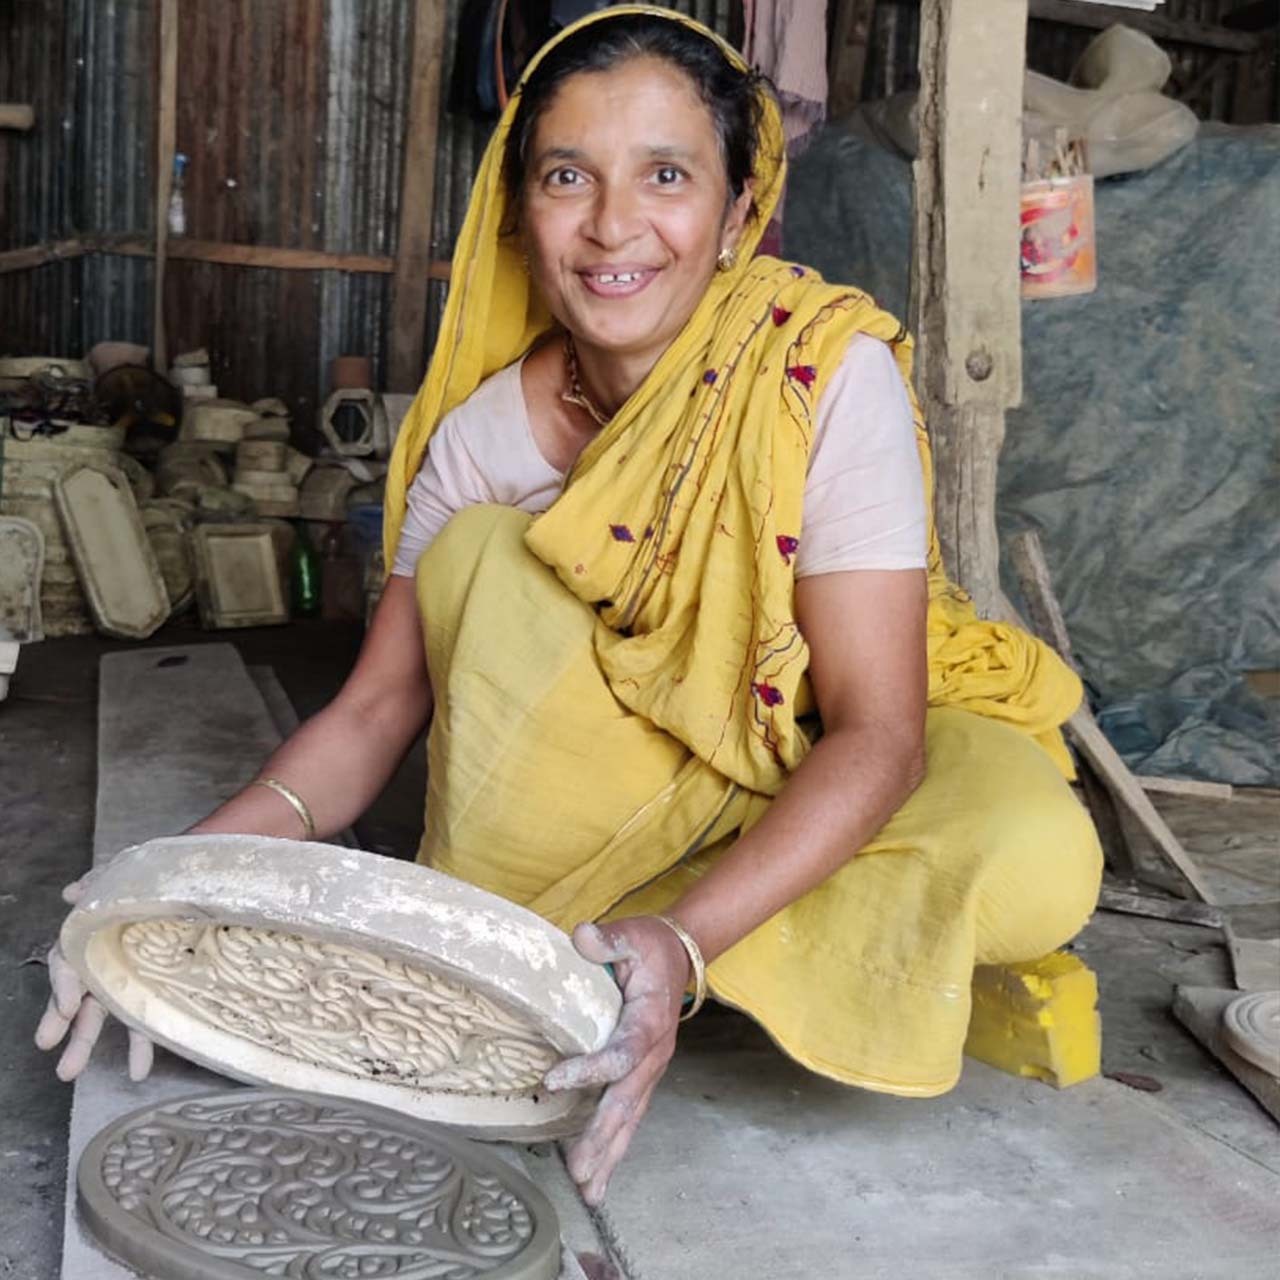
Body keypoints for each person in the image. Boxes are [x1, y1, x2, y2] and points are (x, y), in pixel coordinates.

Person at [38, 5, 1101, 1209]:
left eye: (665, 175)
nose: (611, 225)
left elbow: (877, 730)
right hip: (627, 779)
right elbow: (375, 711)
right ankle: (635, 950)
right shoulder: (480, 441)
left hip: (821, 754)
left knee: (1030, 851)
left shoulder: (812, 371)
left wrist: (681, 944)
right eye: (566, 176)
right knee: (483, 558)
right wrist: (173, 881)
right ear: (517, 209)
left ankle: (645, 948)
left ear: (738, 213)